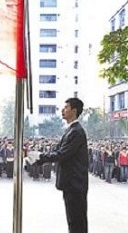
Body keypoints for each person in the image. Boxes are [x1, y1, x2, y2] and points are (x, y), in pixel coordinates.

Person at [36, 98, 89, 233]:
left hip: (75, 184)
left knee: (77, 223)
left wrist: (39, 157)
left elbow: (61, 154)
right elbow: (57, 151)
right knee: (73, 221)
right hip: (71, 184)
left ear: (74, 111)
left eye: (66, 107)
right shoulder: (70, 130)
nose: (62, 110)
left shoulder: (76, 131)